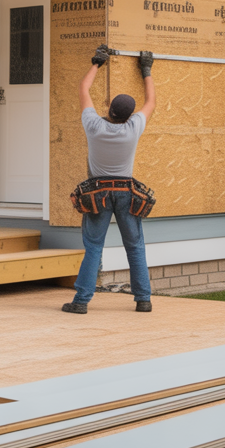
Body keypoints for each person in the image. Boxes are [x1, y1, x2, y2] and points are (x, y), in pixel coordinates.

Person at [63, 45, 157, 314]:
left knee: (94, 246)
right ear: (129, 115)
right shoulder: (133, 127)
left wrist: (97, 63)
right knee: (135, 246)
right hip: (127, 193)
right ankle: (143, 300)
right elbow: (151, 103)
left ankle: (81, 301)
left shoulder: (94, 125)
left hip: (98, 192)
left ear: (110, 109)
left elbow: (83, 89)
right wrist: (146, 70)